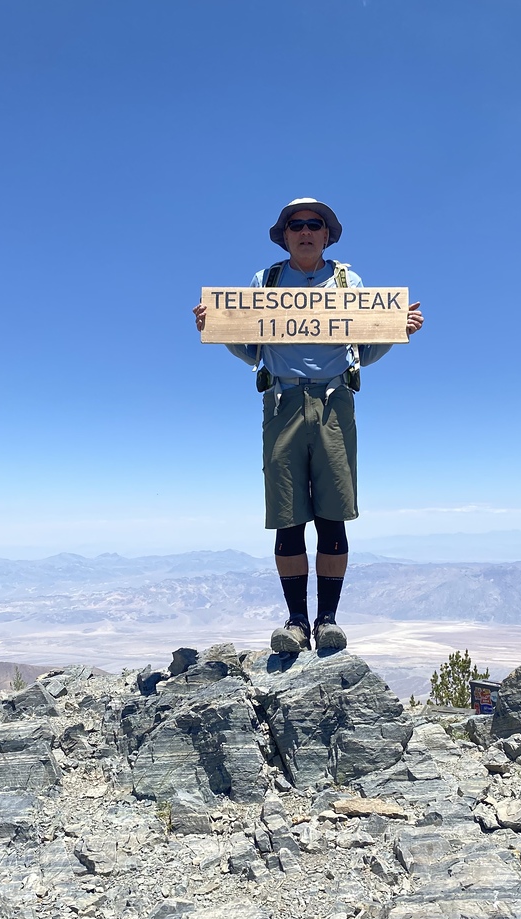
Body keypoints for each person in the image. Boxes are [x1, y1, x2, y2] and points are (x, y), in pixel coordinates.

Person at [194, 198, 423, 654]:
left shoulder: (347, 281)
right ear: (284, 234)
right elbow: (253, 350)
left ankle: (328, 621)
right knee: (288, 514)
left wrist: (396, 332)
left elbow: (363, 348)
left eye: (313, 224)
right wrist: (221, 330)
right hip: (281, 401)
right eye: (295, 225)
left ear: (326, 233)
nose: (304, 231)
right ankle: (296, 622)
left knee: (333, 511)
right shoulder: (267, 281)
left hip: (336, 400)